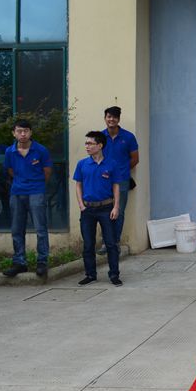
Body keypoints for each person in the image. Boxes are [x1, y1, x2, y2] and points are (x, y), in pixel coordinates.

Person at [2, 119, 53, 277]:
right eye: (19, 131)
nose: (22, 134)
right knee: (17, 229)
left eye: (26, 131)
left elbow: (47, 172)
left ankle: (42, 261)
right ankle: (19, 262)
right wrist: (21, 181)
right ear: (14, 133)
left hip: (36, 191)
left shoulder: (41, 150)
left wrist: (35, 183)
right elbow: (10, 170)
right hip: (17, 192)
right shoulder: (9, 152)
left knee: (40, 229)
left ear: (31, 132)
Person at [73, 131, 123, 286]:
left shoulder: (112, 164)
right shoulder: (82, 164)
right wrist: (81, 205)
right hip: (87, 210)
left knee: (111, 243)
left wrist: (116, 206)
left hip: (106, 208)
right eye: (86, 143)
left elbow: (116, 186)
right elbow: (78, 185)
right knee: (88, 244)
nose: (87, 146)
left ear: (100, 145)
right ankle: (90, 274)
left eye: (90, 143)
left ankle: (114, 274)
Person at [99, 106, 139, 252]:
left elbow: (135, 159)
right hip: (104, 180)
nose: (111, 119)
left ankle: (115, 243)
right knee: (104, 212)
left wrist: (121, 170)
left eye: (114, 117)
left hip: (122, 180)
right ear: (105, 118)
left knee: (119, 211)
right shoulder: (100, 137)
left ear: (118, 119)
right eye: (109, 116)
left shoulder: (128, 137)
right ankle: (105, 243)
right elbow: (96, 157)